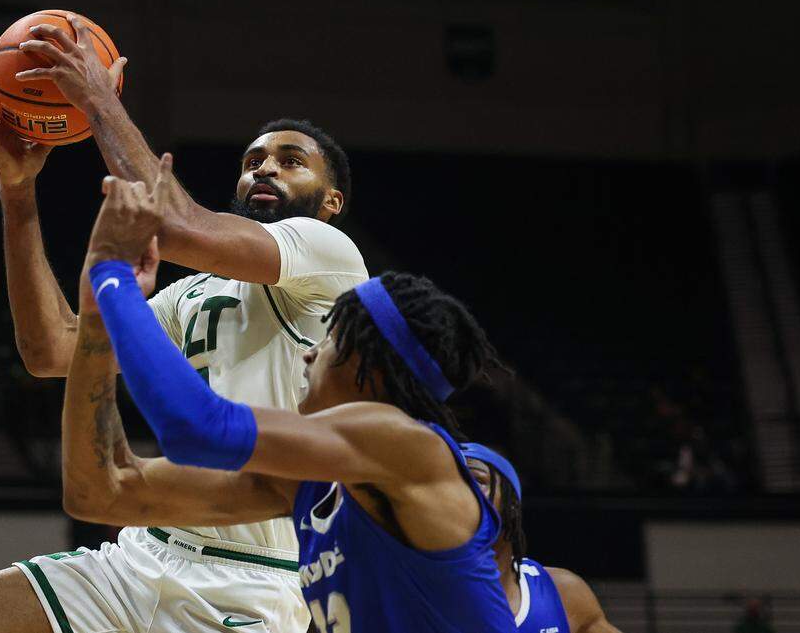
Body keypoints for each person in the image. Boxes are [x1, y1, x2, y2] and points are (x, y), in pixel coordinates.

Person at [0, 14, 366, 633]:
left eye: (290, 161)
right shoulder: (194, 294)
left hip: (257, 578)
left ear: (331, 202)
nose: (263, 169)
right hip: (139, 553)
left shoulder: (328, 255)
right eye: (252, 161)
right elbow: (51, 349)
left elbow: (179, 222)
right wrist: (18, 196)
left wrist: (96, 97)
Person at [58, 168, 516, 631]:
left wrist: (113, 278)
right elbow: (102, 492)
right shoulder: (313, 484)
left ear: (371, 369)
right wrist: (96, 321)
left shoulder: (405, 445)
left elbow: (194, 427)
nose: (311, 350)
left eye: (332, 338)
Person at [461, 443, 621, 632]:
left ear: (511, 505)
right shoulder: (422, 595)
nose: (458, 492)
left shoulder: (563, 592)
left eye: (476, 480)